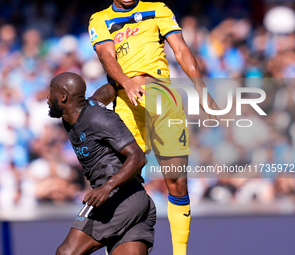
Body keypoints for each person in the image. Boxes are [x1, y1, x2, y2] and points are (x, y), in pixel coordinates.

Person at [89, 1, 220, 254]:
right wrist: (126, 82)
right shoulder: (100, 19)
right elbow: (106, 56)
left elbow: (181, 50)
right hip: (129, 104)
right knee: (123, 181)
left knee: (178, 182)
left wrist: (201, 90)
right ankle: (117, 247)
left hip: (164, 100)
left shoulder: (158, 8)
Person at [47, 72, 156, 255]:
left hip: (117, 198)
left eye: (51, 93)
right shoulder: (79, 111)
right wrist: (121, 76)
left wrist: (107, 187)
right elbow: (106, 91)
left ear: (63, 97)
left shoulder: (100, 118)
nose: (48, 98)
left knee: (66, 253)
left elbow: (137, 157)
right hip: (135, 201)